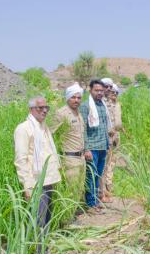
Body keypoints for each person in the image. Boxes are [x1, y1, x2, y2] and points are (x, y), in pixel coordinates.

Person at [14, 96, 61, 254]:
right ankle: (37, 253)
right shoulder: (24, 129)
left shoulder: (43, 127)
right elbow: (21, 160)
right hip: (35, 182)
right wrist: (27, 185)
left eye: (46, 107)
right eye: (40, 108)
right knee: (38, 219)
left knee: (47, 217)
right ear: (31, 109)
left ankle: (44, 248)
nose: (45, 110)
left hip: (49, 179)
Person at [80, 79, 111, 213]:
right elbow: (83, 129)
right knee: (91, 176)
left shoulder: (102, 105)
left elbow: (105, 126)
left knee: (97, 176)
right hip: (92, 148)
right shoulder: (86, 106)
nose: (99, 93)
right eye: (96, 90)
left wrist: (107, 143)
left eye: (101, 91)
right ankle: (91, 204)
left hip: (103, 146)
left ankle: (95, 201)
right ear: (90, 90)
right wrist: (86, 148)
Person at [50, 83, 85, 194]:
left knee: (79, 190)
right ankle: (71, 212)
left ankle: (78, 211)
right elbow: (50, 134)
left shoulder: (78, 113)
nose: (76, 100)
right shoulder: (61, 113)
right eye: (73, 97)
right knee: (72, 191)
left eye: (79, 98)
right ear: (68, 98)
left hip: (81, 158)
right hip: (69, 158)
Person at [100, 83, 123, 202]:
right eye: (112, 92)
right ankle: (104, 189)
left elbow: (118, 121)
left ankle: (109, 185)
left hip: (116, 137)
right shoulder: (106, 105)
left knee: (113, 162)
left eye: (116, 93)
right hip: (108, 137)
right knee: (106, 163)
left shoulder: (117, 105)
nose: (114, 94)